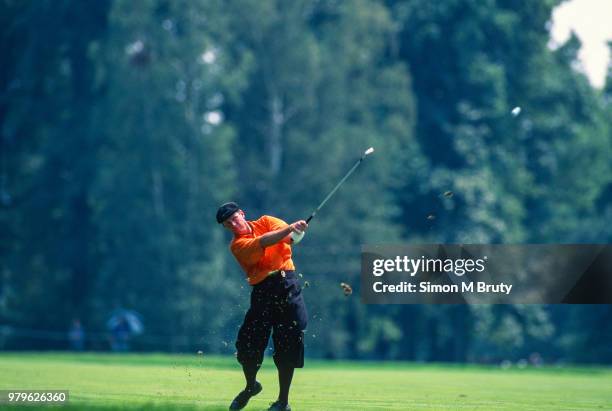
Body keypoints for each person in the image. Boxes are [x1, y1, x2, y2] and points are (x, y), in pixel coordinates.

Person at [217, 202, 308, 411]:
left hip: (288, 285)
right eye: (228, 224)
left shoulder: (267, 221)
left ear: (242, 213)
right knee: (248, 345)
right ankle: (251, 386)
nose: (233, 224)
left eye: (234, 218)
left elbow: (290, 239)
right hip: (263, 292)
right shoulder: (238, 246)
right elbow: (265, 241)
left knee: (288, 342)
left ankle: (283, 402)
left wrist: (298, 231)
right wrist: (291, 227)